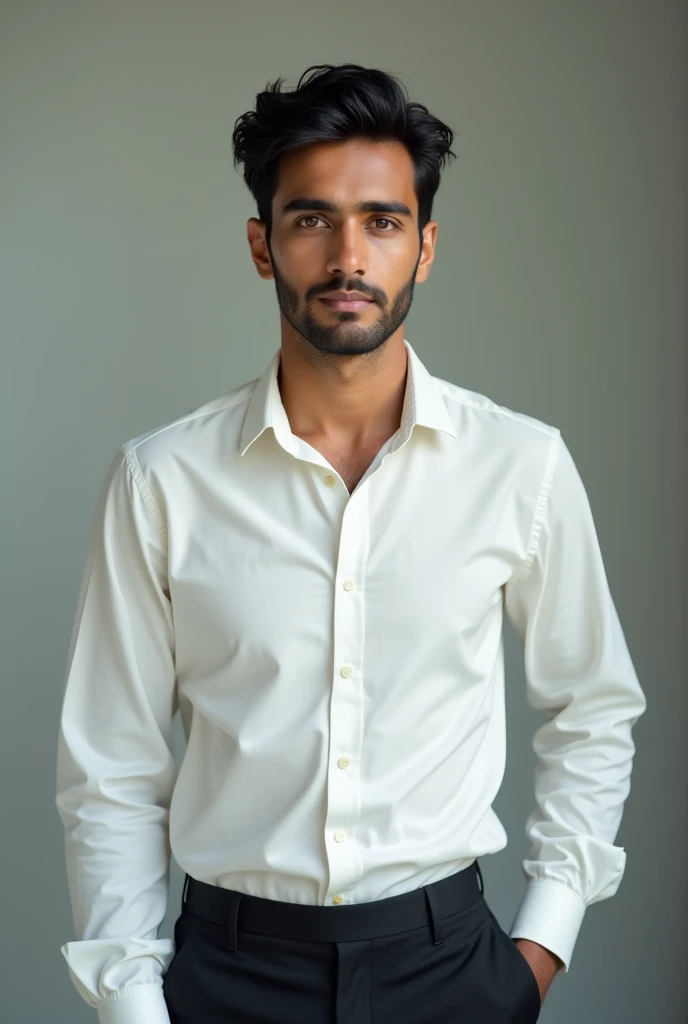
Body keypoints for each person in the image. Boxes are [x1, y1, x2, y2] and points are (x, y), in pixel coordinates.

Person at [55, 63, 647, 1024]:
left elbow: (593, 709)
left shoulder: (520, 465)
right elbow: (110, 769)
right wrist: (133, 1006)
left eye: (381, 221)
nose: (347, 256)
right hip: (227, 974)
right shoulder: (160, 481)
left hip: (450, 968)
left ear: (425, 247)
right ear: (262, 245)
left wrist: (539, 947)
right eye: (310, 219)